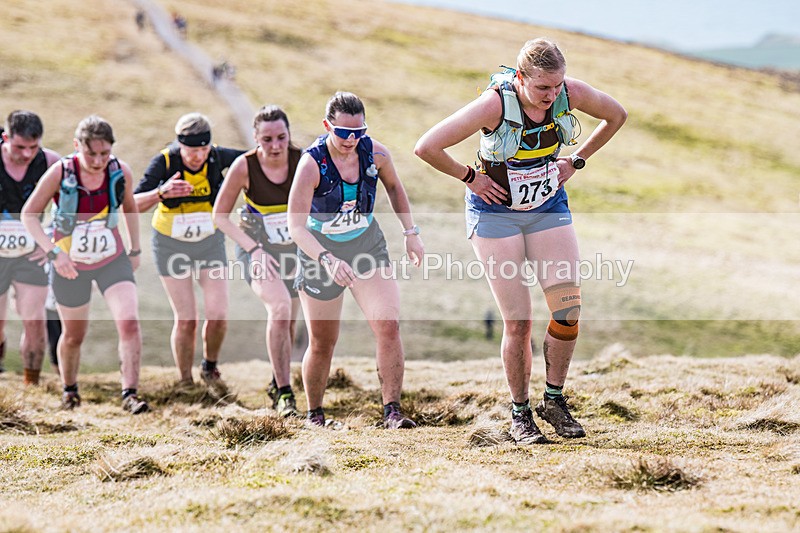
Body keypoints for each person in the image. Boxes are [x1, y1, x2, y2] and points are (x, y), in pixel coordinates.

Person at [415, 38, 627, 443]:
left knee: (568, 310)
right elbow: (427, 146)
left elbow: (616, 116)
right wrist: (470, 177)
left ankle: (554, 400)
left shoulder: (570, 93)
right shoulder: (494, 104)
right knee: (519, 320)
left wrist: (576, 160)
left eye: (557, 86)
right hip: (496, 216)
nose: (552, 96)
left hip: (548, 205)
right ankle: (520, 414)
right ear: (520, 77)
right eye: (542, 88)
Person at [288, 91, 424, 429]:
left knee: (388, 325)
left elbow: (394, 188)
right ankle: (314, 414)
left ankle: (392, 410)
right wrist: (327, 260)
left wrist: (411, 233)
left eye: (358, 132)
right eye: (343, 132)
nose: (351, 140)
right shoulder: (311, 164)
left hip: (365, 244)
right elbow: (295, 226)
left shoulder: (375, 152)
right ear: (327, 126)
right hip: (318, 252)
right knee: (322, 341)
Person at [21, 115, 149, 413]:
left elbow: (130, 208)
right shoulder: (60, 172)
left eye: (104, 153)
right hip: (69, 264)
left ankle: (130, 394)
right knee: (74, 334)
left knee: (129, 322)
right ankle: (70, 390)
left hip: (111, 259)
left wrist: (135, 249)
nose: (98, 160)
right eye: (91, 153)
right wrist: (54, 253)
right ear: (77, 145)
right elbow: (29, 215)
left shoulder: (120, 171)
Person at [134, 113, 244, 397]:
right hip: (171, 244)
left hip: (209, 242)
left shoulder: (219, 158)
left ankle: (209, 365)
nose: (197, 157)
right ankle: (184, 381)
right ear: (180, 145)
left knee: (218, 314)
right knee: (187, 319)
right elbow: (131, 204)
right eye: (191, 151)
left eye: (203, 150)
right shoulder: (165, 161)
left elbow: (258, 160)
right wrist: (161, 192)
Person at [212, 105, 302, 417]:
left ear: (289, 135)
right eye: (267, 139)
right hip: (258, 249)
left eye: (281, 137)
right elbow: (220, 217)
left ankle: (278, 381)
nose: (275, 146)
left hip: (296, 251)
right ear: (255, 138)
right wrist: (254, 250)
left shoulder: (303, 162)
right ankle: (286, 394)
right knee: (279, 308)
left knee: (289, 320)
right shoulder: (243, 166)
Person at [0, 110, 60, 384]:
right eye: (19, 147)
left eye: (32, 148)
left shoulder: (50, 162)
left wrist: (52, 241)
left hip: (31, 253)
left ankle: (31, 384)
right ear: (6, 138)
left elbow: (70, 208)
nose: (26, 154)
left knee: (34, 322)